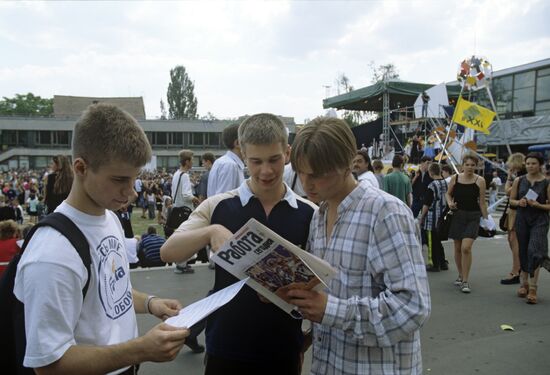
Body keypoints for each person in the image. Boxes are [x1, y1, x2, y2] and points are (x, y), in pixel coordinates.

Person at [13, 103, 189, 374]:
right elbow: (49, 365)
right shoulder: (52, 255)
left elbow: (106, 292)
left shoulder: (109, 218)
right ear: (81, 168)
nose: (130, 192)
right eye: (120, 179)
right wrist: (141, 349)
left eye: (134, 179)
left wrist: (151, 302)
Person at [161, 113, 317, 374]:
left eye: (274, 160)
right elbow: (169, 251)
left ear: (287, 153)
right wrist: (210, 232)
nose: (265, 171)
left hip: (284, 348)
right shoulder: (218, 206)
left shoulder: (309, 213)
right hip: (226, 346)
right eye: (255, 161)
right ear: (242, 154)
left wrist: (306, 340)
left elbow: (323, 285)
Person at [285, 117, 430, 375]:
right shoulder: (319, 216)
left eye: (317, 174)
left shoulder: (385, 212)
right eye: (300, 172)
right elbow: (326, 294)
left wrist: (330, 309)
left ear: (346, 164)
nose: (306, 184)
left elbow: (412, 307)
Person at [509, 152, 550, 304]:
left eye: (533, 163)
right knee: (524, 250)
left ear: (540, 165)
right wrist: (519, 202)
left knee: (534, 250)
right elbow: (511, 201)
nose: (530, 166)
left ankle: (533, 287)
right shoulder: (519, 180)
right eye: (528, 163)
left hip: (540, 219)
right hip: (522, 218)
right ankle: (523, 283)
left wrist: (538, 205)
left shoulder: (546, 183)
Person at [446, 154, 489, 293]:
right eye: (467, 164)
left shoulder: (480, 180)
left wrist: (487, 219)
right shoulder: (455, 178)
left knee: (466, 248)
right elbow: (448, 194)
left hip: (473, 216)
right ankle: (460, 274)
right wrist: (450, 203)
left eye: (473, 165)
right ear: (462, 165)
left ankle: (465, 281)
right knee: (458, 248)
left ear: (476, 166)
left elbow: (482, 202)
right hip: (458, 215)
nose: (470, 167)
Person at [171, 150, 200, 274]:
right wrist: (195, 199)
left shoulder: (177, 174)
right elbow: (186, 194)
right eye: (192, 160)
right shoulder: (185, 176)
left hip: (177, 209)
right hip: (185, 210)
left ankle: (181, 263)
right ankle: (182, 264)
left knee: (181, 237)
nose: (193, 162)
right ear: (187, 161)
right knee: (187, 238)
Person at [501, 153, 526, 284]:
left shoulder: (521, 176)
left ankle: (516, 271)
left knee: (514, 241)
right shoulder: (519, 175)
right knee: (512, 240)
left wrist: (509, 179)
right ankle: (518, 269)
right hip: (513, 210)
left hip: (517, 211)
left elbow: (508, 192)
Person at [420, 163, 449, 271]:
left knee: (431, 241)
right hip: (442, 216)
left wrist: (422, 217)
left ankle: (434, 263)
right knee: (438, 241)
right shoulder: (446, 183)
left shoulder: (432, 185)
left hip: (432, 218)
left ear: (430, 172)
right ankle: (443, 262)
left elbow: (427, 203)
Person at [207, 123, 245, 197]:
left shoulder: (222, 162)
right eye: (249, 140)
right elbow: (224, 201)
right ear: (237, 143)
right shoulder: (230, 165)